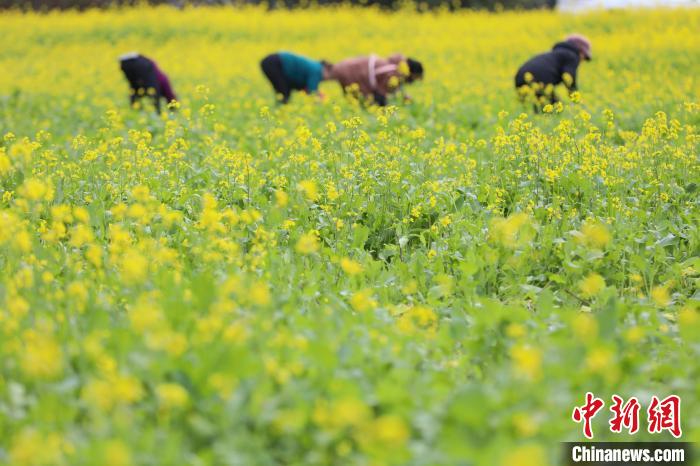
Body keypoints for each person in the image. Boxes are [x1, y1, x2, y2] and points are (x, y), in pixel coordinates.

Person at [514, 34, 591, 109]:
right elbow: (569, 77)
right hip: (538, 80)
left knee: (533, 110)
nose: (583, 60)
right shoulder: (572, 56)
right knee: (556, 109)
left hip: (520, 77)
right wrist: (576, 99)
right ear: (581, 51)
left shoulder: (557, 53)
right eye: (585, 57)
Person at [328, 54, 424, 106]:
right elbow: (381, 96)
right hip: (351, 73)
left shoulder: (395, 67)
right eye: (414, 78)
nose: (412, 82)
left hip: (349, 65)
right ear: (410, 73)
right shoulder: (393, 73)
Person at [260, 52, 332, 104]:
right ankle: (279, 114)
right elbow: (312, 91)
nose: (327, 79)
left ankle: (279, 112)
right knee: (284, 94)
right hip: (274, 63)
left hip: (271, 62)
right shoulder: (317, 70)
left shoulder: (315, 65)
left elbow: (301, 86)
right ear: (325, 69)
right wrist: (321, 100)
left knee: (284, 92)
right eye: (329, 75)